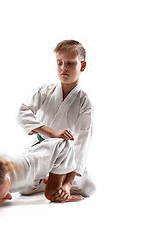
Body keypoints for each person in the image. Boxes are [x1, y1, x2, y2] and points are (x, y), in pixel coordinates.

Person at [17, 39, 95, 199]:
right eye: (59, 63)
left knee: (88, 188)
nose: (63, 68)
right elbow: (22, 113)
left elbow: (81, 144)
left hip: (66, 156)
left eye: (70, 63)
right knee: (24, 188)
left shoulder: (84, 102)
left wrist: (67, 184)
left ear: (83, 66)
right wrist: (51, 132)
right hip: (41, 150)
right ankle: (51, 181)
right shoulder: (45, 91)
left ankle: (58, 183)